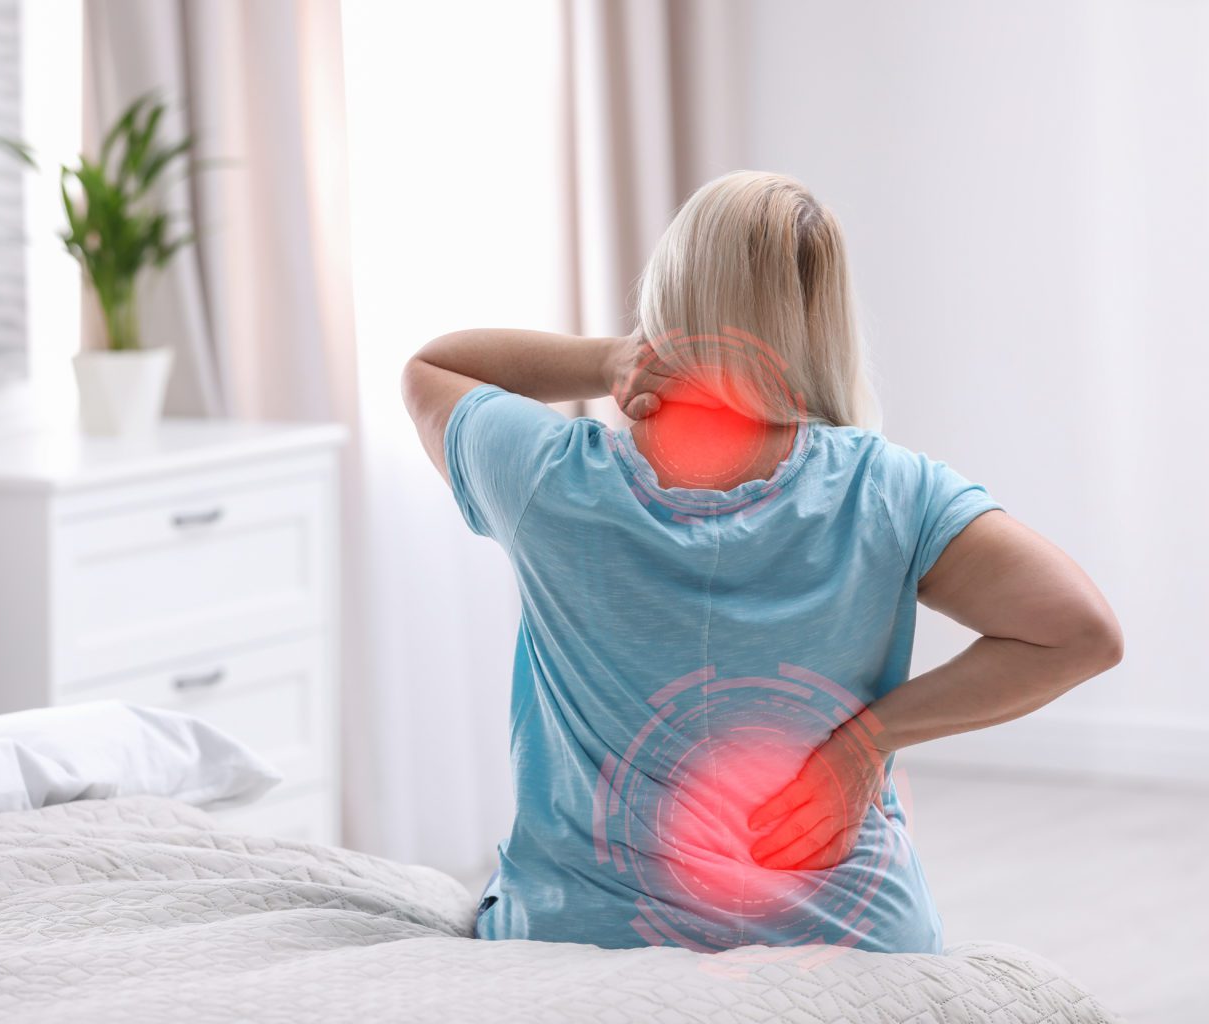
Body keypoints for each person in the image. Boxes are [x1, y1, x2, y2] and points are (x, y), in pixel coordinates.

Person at [399, 170, 1124, 955]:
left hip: (587, 935)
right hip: (848, 943)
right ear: (821, 320)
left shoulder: (548, 477)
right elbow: (1078, 633)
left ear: (668, 293)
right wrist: (865, 744)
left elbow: (432, 369)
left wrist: (611, 359)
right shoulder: (886, 489)